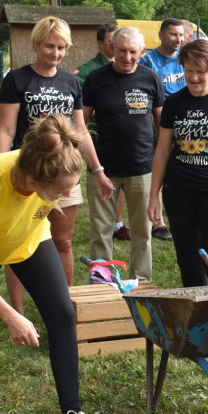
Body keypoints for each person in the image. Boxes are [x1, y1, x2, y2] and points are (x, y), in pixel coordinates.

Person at [0, 114, 117, 414]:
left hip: (28, 242)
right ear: (32, 178)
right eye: (59, 192)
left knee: (62, 314)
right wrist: (11, 314)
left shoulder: (51, 171)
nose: (63, 197)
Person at [0, 16, 114, 312]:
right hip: (28, 174)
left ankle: (66, 304)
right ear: (35, 44)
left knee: (63, 241)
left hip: (65, 174)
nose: (56, 53)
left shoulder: (71, 82)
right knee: (19, 243)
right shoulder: (16, 80)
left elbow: (81, 129)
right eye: (50, 46)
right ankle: (17, 310)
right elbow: (6, 129)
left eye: (61, 47)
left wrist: (97, 170)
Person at [148, 39, 208, 287]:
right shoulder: (174, 103)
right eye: (188, 71)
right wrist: (153, 195)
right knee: (187, 256)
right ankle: (195, 310)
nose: (193, 77)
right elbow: (162, 151)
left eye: (200, 72)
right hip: (178, 191)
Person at [82, 26, 164, 282]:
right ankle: (104, 281)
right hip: (102, 169)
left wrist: (164, 166)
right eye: (121, 51)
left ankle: (141, 281)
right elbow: (81, 125)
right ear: (111, 49)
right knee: (101, 230)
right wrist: (92, 165)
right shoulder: (95, 79)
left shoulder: (151, 78)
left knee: (143, 231)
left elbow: (161, 126)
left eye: (133, 52)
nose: (127, 57)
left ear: (142, 51)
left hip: (142, 168)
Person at [75, 23, 127, 241]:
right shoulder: (88, 72)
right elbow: (77, 108)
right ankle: (105, 227)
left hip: (123, 137)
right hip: (99, 137)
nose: (117, 46)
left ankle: (118, 223)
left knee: (123, 180)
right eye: (111, 41)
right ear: (100, 44)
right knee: (104, 181)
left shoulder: (128, 65)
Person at [138, 18, 186, 241]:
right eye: (173, 34)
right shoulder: (148, 60)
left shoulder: (186, 58)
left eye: (180, 34)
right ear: (161, 35)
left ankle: (178, 212)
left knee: (179, 168)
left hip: (186, 122)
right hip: (158, 123)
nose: (178, 39)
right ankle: (158, 223)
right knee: (158, 167)